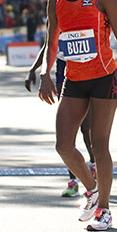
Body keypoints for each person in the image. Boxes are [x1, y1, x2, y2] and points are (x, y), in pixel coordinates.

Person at [38, 0, 117, 231]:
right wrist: (46, 73)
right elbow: (52, 41)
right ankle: (94, 190)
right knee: (63, 146)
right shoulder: (54, 2)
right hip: (74, 80)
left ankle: (105, 209)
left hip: (104, 78)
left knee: (99, 145)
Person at [25, 44, 96, 197]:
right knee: (68, 133)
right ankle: (73, 182)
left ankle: (93, 164)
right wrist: (33, 69)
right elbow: (49, 44)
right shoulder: (54, 19)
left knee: (86, 129)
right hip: (63, 69)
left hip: (87, 66)